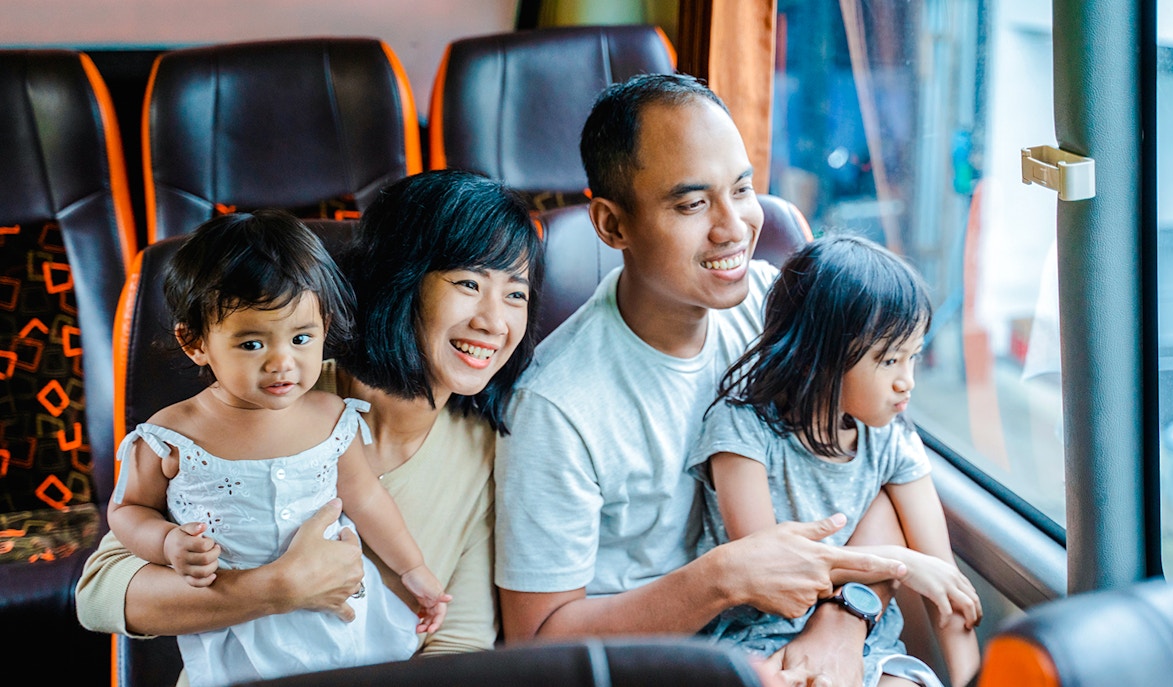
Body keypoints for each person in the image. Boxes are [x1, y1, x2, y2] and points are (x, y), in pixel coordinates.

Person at [494, 73, 908, 687]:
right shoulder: (556, 406)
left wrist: (841, 625)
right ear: (612, 225)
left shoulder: (779, 310)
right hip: (656, 668)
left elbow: (882, 471)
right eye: (692, 205)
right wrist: (724, 578)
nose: (733, 227)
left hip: (811, 634)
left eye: (742, 189)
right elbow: (538, 641)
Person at [77, 169, 543, 684]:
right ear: (401, 279)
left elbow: (457, 643)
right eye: (469, 284)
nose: (493, 322)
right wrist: (277, 588)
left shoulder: (489, 448)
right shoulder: (273, 393)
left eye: (515, 294)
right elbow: (100, 594)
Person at [106, 209, 450, 687]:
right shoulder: (170, 435)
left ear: (325, 327)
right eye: (252, 344)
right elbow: (127, 510)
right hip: (239, 632)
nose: (282, 362)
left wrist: (412, 569)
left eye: (301, 338)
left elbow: (366, 497)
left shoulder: (332, 417)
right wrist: (165, 542)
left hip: (337, 620)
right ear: (195, 342)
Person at [686, 234, 982, 687]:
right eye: (890, 360)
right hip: (756, 643)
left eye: (913, 358)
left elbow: (945, 585)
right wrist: (898, 561)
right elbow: (769, 566)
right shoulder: (742, 429)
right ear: (816, 358)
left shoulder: (892, 440)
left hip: (867, 645)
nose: (907, 381)